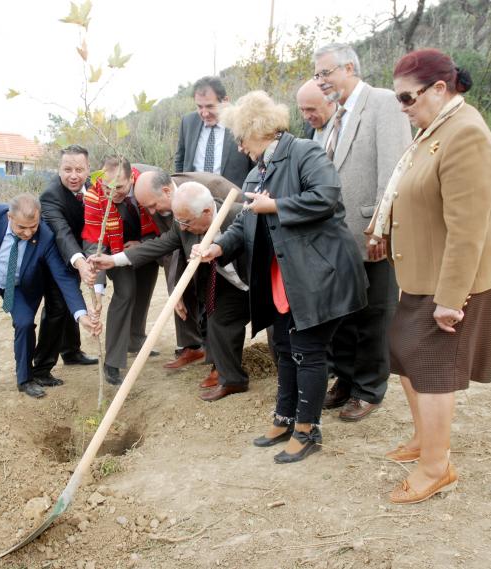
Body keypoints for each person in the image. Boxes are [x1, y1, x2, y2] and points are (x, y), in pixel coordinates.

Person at [197, 91, 367, 463]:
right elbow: (244, 222)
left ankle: (307, 430)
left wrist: (276, 205)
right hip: (283, 277)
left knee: (308, 351)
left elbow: (327, 197)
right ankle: (285, 416)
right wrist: (219, 247)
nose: (239, 146)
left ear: (256, 129)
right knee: (286, 348)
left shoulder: (304, 152)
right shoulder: (258, 171)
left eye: (240, 137)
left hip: (320, 273)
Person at [368, 49, 491, 503]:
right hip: (423, 270)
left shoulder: (466, 134)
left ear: (440, 89)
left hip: (452, 280)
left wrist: (452, 298)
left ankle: (436, 467)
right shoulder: (435, 128)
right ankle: (424, 442)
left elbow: (470, 226)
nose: (403, 108)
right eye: (398, 100)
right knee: (405, 355)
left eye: (408, 98)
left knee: (432, 369)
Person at [313, 43, 412, 422]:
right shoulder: (335, 115)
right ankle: (346, 380)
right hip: (337, 239)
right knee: (344, 316)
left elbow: (395, 169)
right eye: (317, 75)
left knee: (375, 315)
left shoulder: (383, 103)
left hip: (372, 234)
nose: (320, 81)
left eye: (325, 73)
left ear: (349, 67)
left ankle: (369, 389)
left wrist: (382, 228)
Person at [92, 182, 249, 401]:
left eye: (186, 222)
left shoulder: (240, 216)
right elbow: (158, 245)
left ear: (206, 212)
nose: (182, 227)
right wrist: (114, 260)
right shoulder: (182, 224)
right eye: (179, 221)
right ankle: (232, 380)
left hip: (258, 283)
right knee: (219, 322)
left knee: (280, 338)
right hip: (228, 286)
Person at [0, 195, 101, 407]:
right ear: (9, 216)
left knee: (25, 324)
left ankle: (25, 379)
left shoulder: (46, 235)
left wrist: (81, 315)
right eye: (22, 227)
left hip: (19, 286)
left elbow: (63, 277)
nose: (28, 233)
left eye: (33, 226)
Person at [132, 168, 242, 378]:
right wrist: (175, 290)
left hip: (234, 250)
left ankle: (222, 363)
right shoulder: (170, 212)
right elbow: (171, 246)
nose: (152, 212)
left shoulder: (210, 190)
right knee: (209, 303)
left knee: (229, 298)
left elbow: (245, 223)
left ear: (166, 192)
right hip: (202, 254)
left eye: (153, 206)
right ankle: (213, 360)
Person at [83, 158, 159, 385]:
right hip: (110, 250)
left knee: (144, 288)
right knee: (126, 292)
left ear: (131, 179)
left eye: (119, 187)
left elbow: (159, 221)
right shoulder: (94, 197)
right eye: (107, 187)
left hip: (144, 242)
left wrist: (142, 245)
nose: (112, 193)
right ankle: (113, 362)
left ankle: (135, 339)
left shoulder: (144, 187)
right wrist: (98, 288)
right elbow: (96, 244)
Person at [33, 145, 98, 383]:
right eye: (67, 169)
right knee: (57, 308)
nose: (73, 175)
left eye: (79, 169)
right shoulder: (51, 195)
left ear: (88, 169)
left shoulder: (94, 190)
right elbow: (61, 233)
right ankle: (41, 368)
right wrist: (80, 262)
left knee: (72, 302)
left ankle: (71, 352)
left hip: (80, 257)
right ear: (59, 169)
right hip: (55, 259)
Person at [175, 76, 255, 188]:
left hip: (232, 199)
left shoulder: (242, 123)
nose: (204, 113)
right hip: (193, 197)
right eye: (199, 107)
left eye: (210, 106)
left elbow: (255, 165)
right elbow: (180, 160)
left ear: (225, 101)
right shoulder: (188, 122)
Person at [296, 79, 336, 146]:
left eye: (311, 109)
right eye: (302, 110)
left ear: (330, 101)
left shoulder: (345, 126)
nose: (305, 117)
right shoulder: (308, 126)